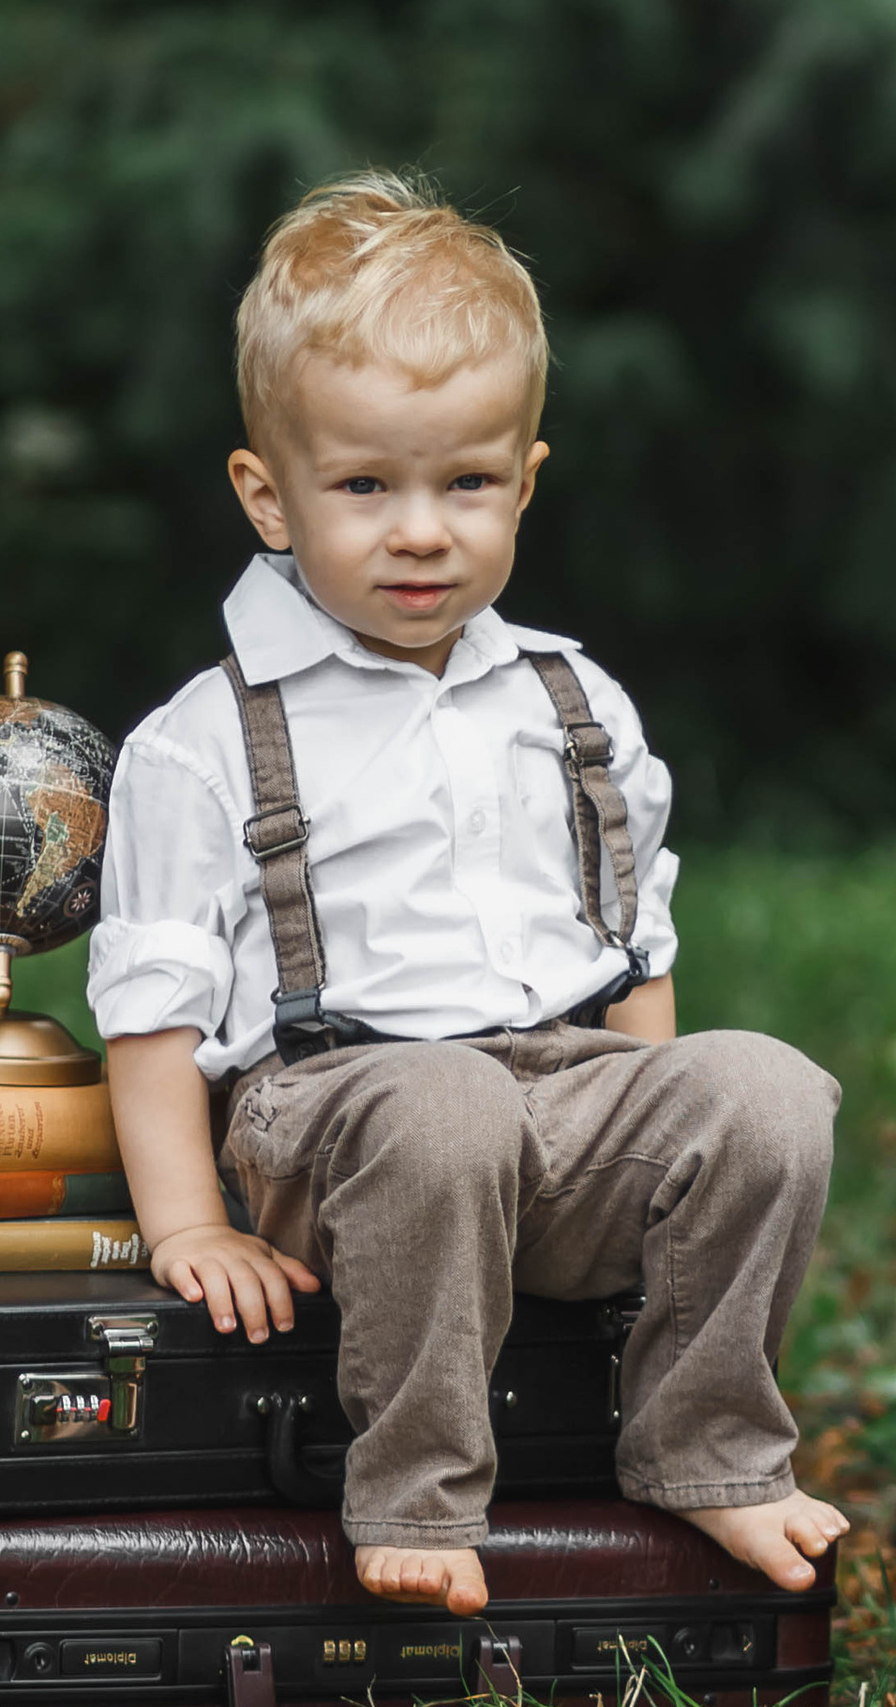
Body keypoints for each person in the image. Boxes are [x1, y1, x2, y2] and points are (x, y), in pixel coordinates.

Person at [87, 169, 848, 1617]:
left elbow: (633, 956)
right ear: (267, 495)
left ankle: (707, 1449)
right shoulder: (208, 739)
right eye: (365, 487)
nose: (422, 531)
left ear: (527, 481)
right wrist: (189, 1226)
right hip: (333, 1120)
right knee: (446, 1106)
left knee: (768, 1091)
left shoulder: (572, 701)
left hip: (556, 1100)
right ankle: (417, 1491)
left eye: (468, 485)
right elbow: (153, 1017)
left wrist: (655, 1137)